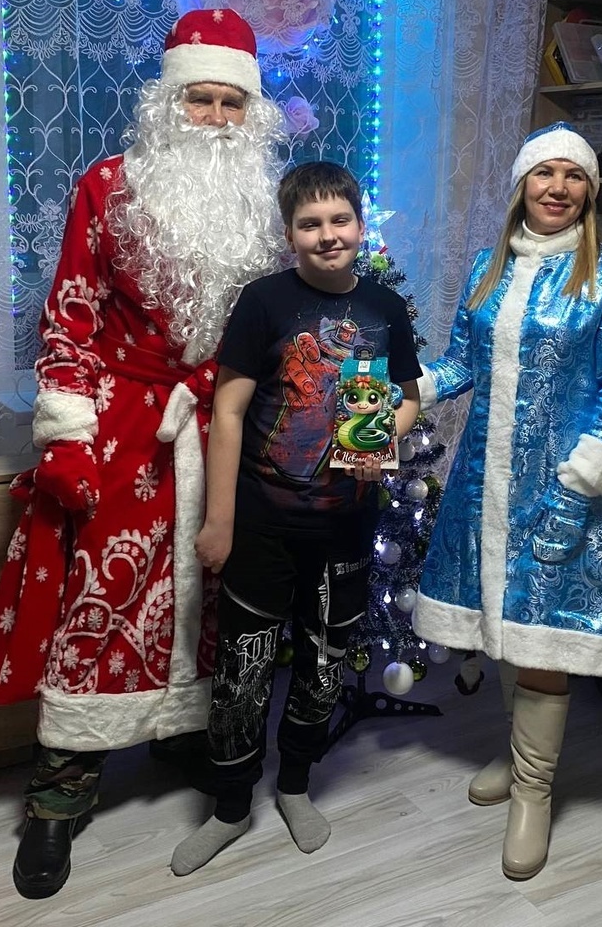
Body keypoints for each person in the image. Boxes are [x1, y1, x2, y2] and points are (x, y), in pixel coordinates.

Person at [0, 8, 288, 900]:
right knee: (100, 592)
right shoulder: (109, 184)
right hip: (124, 422)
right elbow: (69, 312)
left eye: (233, 102)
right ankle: (60, 790)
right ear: (167, 101)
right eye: (201, 98)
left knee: (214, 592)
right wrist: (67, 435)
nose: (217, 118)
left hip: (225, 421)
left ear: (254, 112)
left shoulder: (267, 201)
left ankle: (182, 733)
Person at [413, 121, 602, 881]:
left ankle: (533, 791)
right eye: (544, 173)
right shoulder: (489, 268)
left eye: (573, 176)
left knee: (543, 639)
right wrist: (408, 393)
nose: (557, 187)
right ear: (522, 185)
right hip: (485, 483)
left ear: (588, 191)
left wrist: (583, 478)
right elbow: (461, 363)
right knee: (504, 627)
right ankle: (516, 754)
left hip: (563, 488)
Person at [169, 161, 421, 876]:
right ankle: (229, 806)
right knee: (243, 670)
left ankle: (296, 785)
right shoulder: (264, 302)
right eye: (311, 224)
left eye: (340, 219)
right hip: (262, 525)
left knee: (323, 663)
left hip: (345, 528)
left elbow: (407, 396)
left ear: (360, 225)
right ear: (290, 235)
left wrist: (383, 438)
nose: (327, 234)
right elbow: (227, 412)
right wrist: (219, 521)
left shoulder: (385, 308)